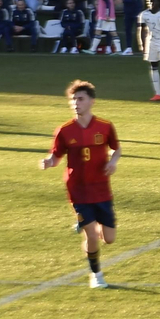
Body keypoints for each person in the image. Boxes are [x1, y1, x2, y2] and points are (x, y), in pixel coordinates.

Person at [39, 79, 121, 289]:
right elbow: (56, 156)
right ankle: (96, 274)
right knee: (92, 235)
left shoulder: (104, 126)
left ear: (91, 101)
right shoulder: (65, 130)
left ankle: (86, 224)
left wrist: (112, 162)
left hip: (102, 189)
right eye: (73, 100)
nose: (76, 103)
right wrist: (49, 162)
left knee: (109, 238)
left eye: (80, 99)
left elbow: (116, 149)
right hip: (78, 191)